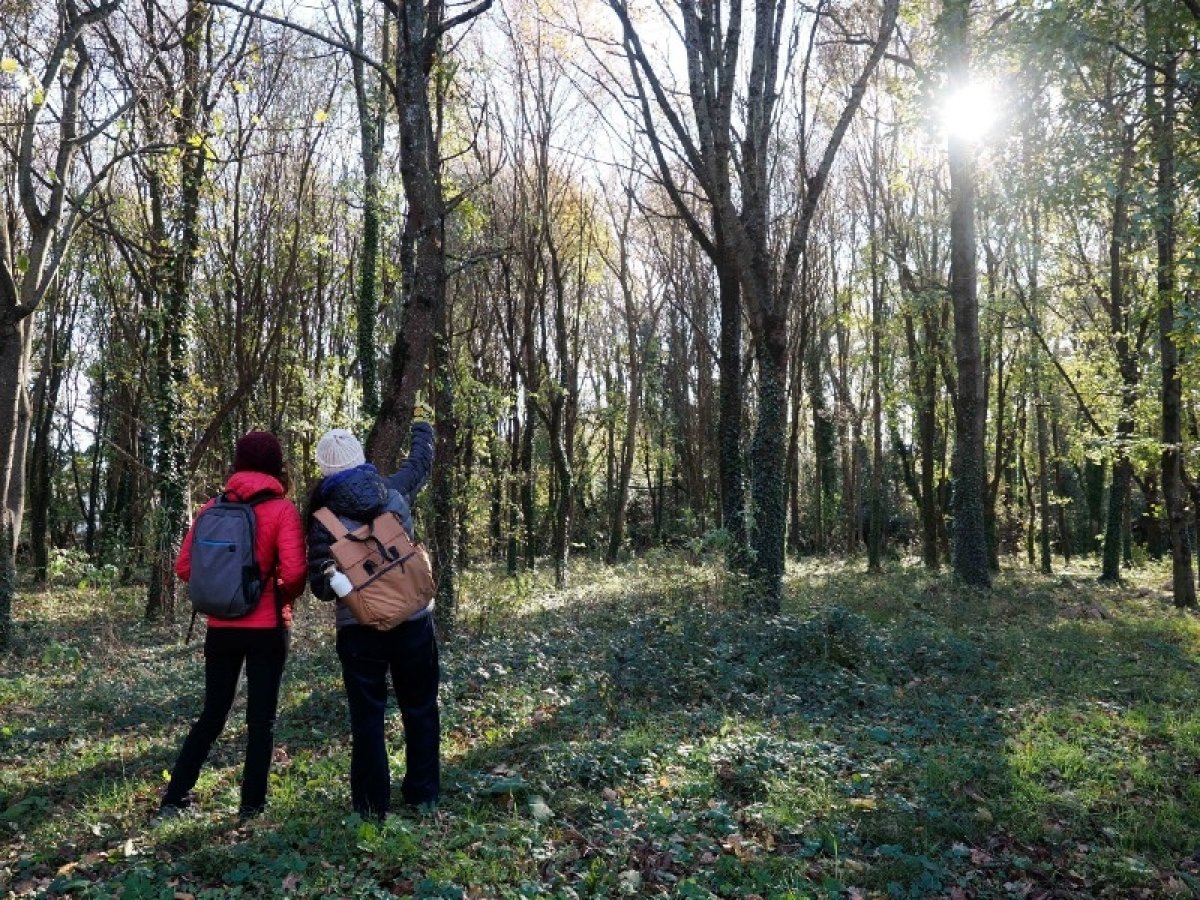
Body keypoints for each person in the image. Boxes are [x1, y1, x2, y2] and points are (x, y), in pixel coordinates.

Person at [160, 430, 307, 821]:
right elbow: (295, 573)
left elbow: (184, 568)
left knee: (212, 713)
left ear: (238, 463)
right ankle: (251, 807)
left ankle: (175, 797)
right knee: (261, 719)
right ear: (277, 465)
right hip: (268, 628)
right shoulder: (282, 510)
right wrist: (276, 591)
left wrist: (223, 590)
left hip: (221, 626)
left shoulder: (212, 507)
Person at [305, 419, 437, 819]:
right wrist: (421, 428)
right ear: (360, 457)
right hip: (413, 618)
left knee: (367, 717)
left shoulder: (321, 519)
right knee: (420, 707)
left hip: (359, 630)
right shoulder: (393, 491)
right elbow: (420, 463)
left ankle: (370, 808)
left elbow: (321, 588)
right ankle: (423, 796)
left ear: (324, 469)